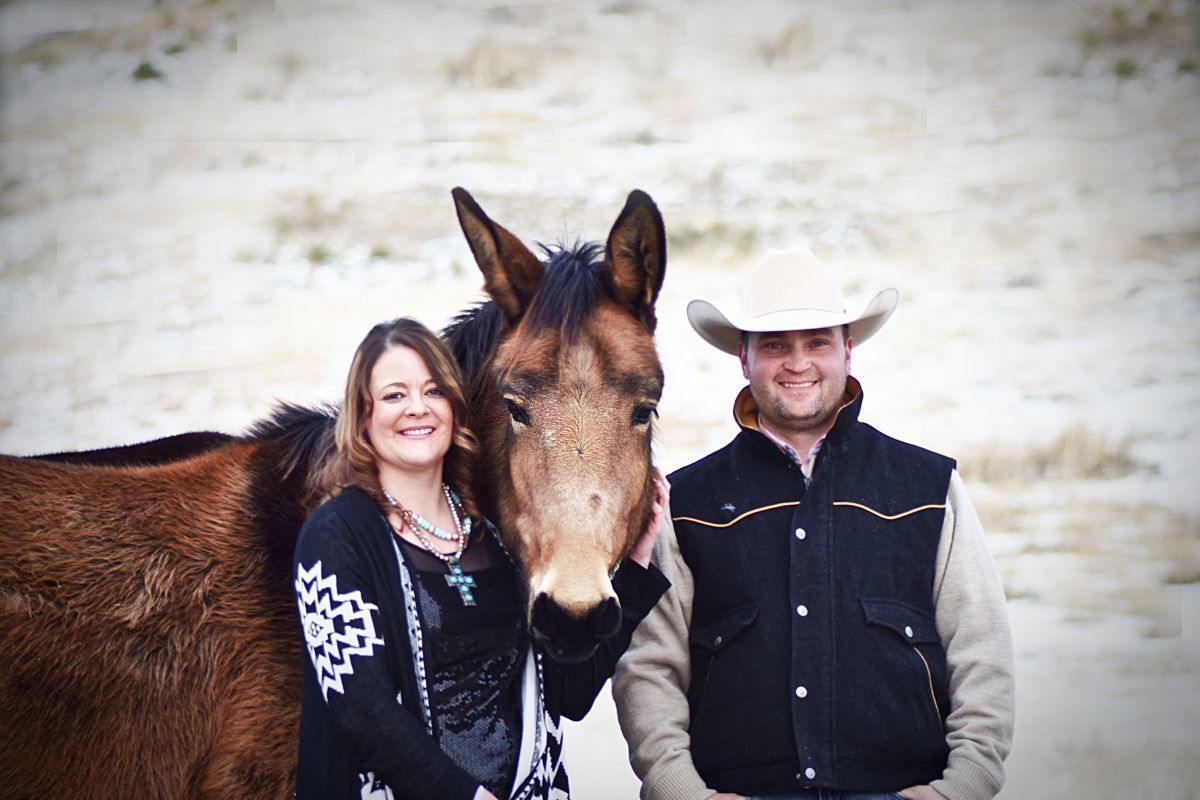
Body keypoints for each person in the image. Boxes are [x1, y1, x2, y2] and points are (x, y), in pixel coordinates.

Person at [613, 249, 1015, 800]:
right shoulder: (684, 502)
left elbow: (981, 650)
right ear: (744, 358)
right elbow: (649, 668)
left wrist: (962, 788)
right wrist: (681, 792)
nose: (797, 363)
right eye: (775, 345)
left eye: (818, 342)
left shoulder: (928, 486)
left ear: (848, 352)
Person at [293, 317, 670, 800]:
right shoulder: (336, 534)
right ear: (362, 416)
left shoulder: (491, 538)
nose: (416, 408)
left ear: (455, 406)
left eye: (433, 391)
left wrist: (634, 571)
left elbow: (565, 696)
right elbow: (360, 709)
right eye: (393, 395)